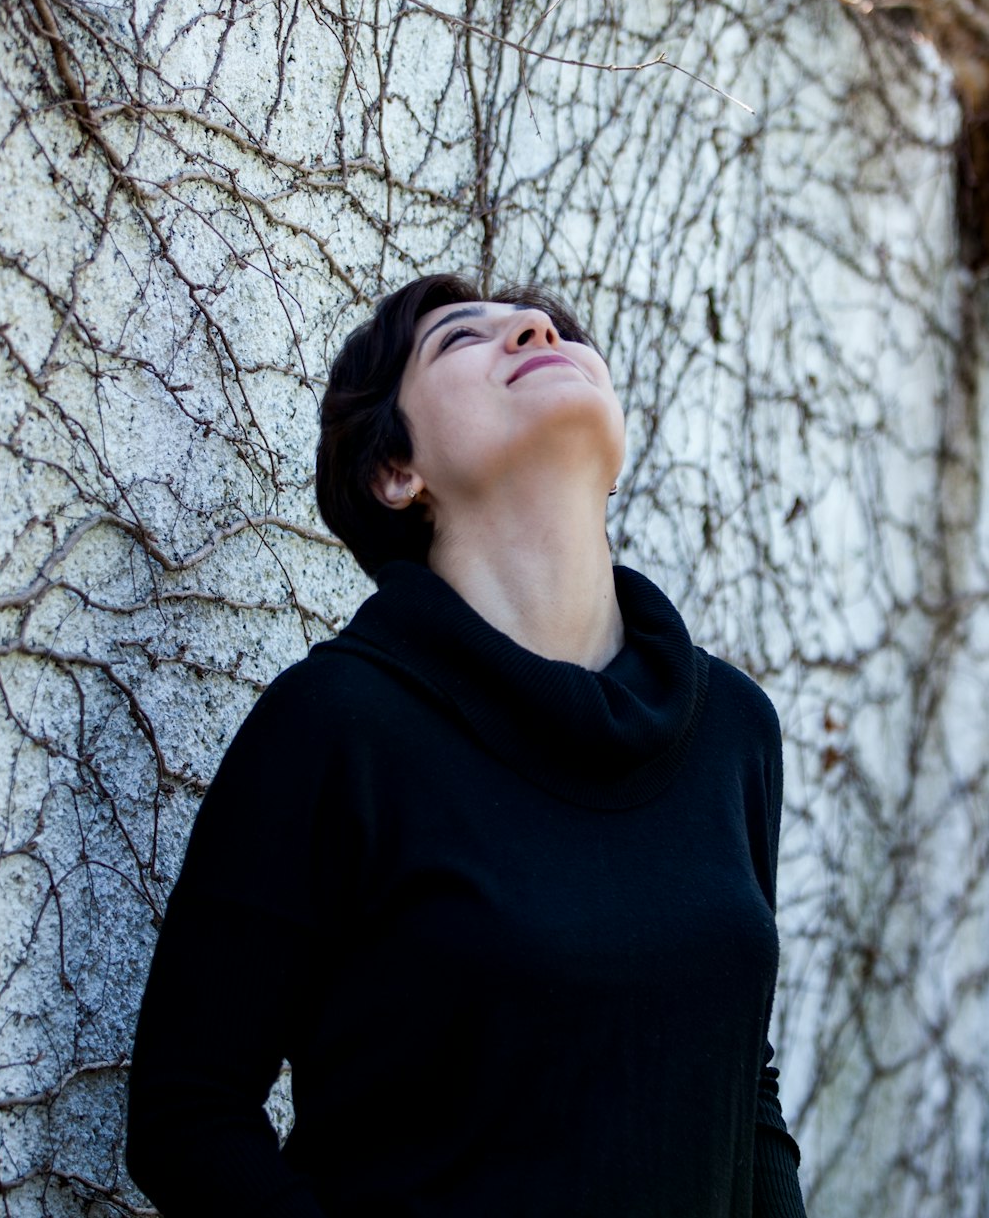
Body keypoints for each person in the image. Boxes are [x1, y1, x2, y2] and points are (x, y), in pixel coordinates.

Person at [126, 273, 807, 1218]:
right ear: (395, 473)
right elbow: (186, 1112)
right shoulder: (335, 726)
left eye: (554, 329)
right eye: (458, 339)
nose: (535, 327)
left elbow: (743, 1081)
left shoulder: (734, 727)